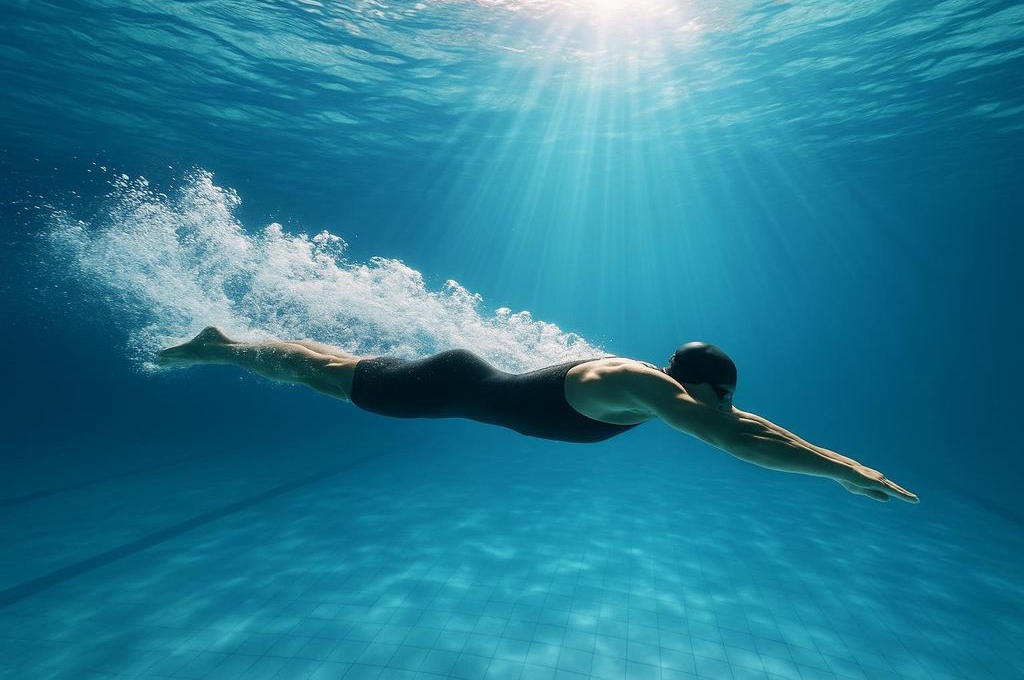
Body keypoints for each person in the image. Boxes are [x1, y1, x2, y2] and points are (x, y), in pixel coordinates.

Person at [159, 327, 918, 503]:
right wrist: (843, 470)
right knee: (325, 378)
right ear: (701, 388)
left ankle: (235, 341)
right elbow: (736, 437)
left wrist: (833, 458)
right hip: (450, 390)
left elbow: (753, 425)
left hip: (464, 381)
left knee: (339, 366)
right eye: (724, 396)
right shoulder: (648, 387)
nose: (730, 408)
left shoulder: (662, 388)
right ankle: (224, 348)